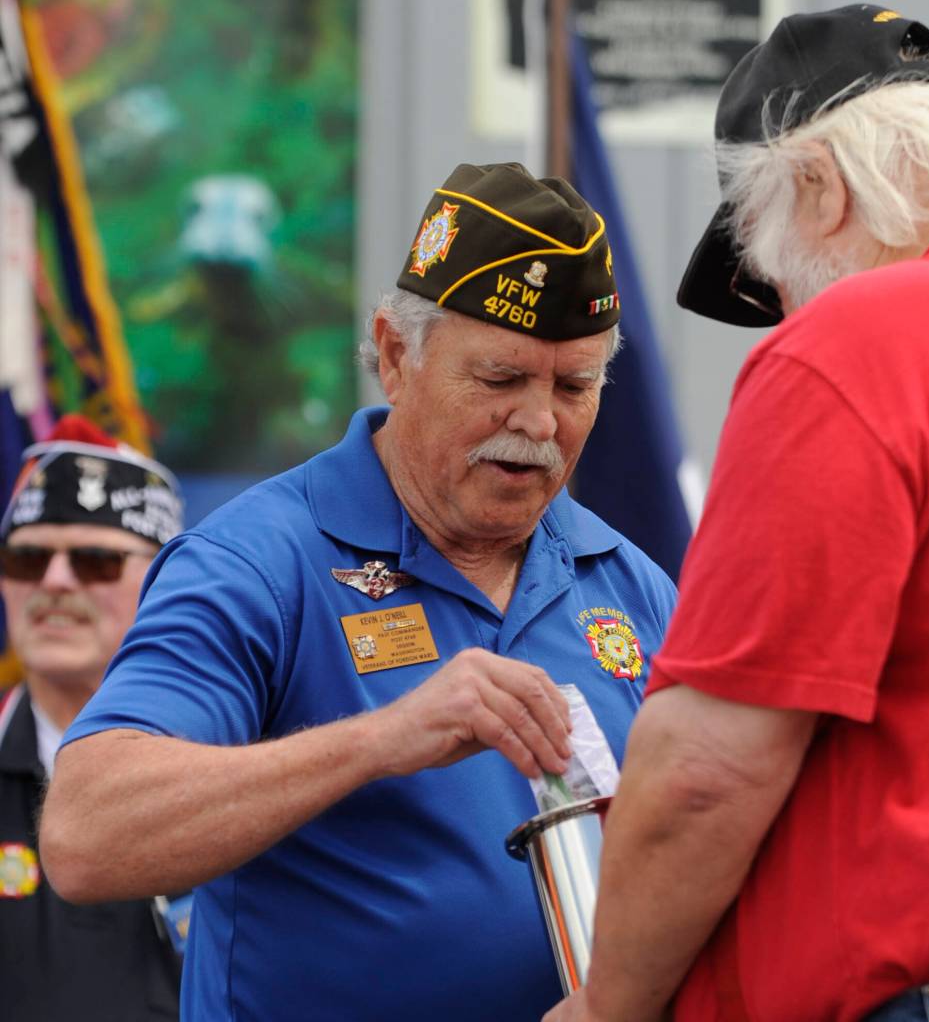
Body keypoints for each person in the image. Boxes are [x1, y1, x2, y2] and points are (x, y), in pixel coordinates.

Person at [39, 162, 677, 1021]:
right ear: (392, 354)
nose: (538, 423)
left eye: (574, 386)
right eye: (498, 380)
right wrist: (386, 737)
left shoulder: (631, 582)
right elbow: (86, 837)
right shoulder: (259, 559)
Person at [543, 6, 929, 1022]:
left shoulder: (867, 337)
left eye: (763, 266)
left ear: (818, 185)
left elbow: (711, 762)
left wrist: (608, 1003)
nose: (784, 306)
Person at [0, 414, 186, 1021]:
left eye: (94, 560)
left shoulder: (238, 762)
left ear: (166, 581)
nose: (54, 582)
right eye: (27, 559)